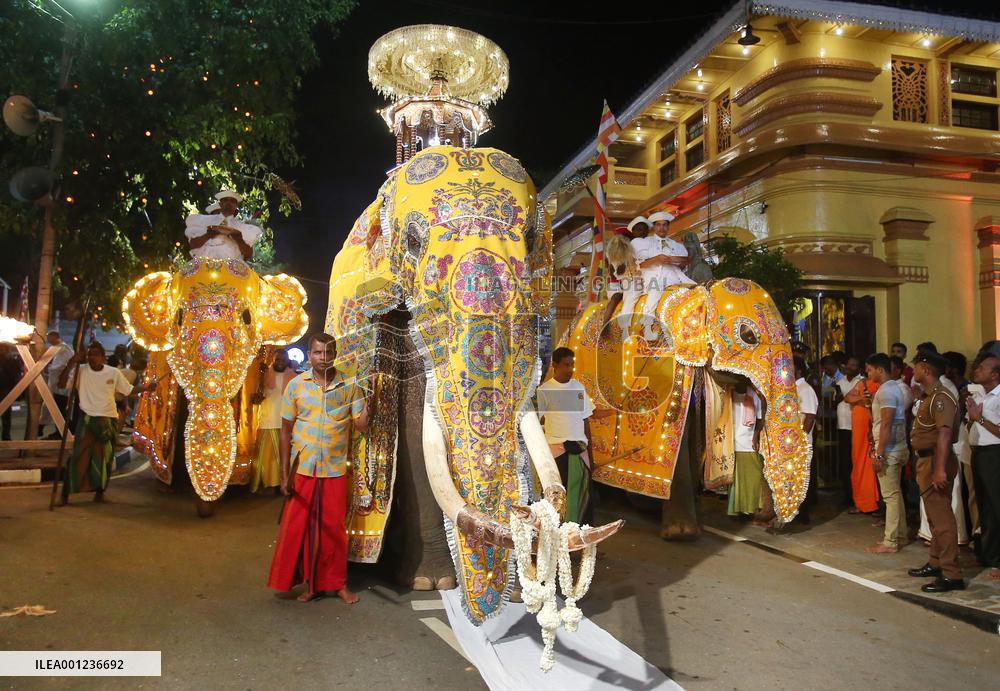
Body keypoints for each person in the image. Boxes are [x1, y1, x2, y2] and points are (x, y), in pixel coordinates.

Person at [267, 333, 368, 603]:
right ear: (310, 355)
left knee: (333, 529)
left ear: (335, 354)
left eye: (328, 352)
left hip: (334, 469)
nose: (323, 358)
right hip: (303, 468)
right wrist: (284, 475)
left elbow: (361, 425)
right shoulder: (296, 386)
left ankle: (338, 584)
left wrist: (371, 405)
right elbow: (285, 431)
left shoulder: (349, 386)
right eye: (317, 353)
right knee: (302, 529)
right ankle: (312, 585)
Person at [57, 342, 155, 504]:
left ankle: (100, 492)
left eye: (95, 354)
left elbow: (128, 390)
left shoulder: (113, 372)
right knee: (78, 457)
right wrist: (72, 362)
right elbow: (61, 384)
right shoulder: (80, 371)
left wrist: (146, 388)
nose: (92, 357)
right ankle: (65, 495)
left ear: (103, 357)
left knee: (104, 458)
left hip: (108, 420)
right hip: (87, 420)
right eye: (89, 354)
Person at [907, 350, 964, 592]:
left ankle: (951, 573)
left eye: (916, 367)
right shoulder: (929, 396)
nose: (913, 371)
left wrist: (940, 469)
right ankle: (936, 561)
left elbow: (944, 434)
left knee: (942, 519)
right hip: (926, 461)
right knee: (933, 516)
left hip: (935, 461)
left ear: (926, 369)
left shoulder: (941, 398)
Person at [537, 347, 612, 524]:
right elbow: (538, 421)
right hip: (557, 451)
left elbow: (587, 418)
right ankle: (556, 536)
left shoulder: (578, 388)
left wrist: (590, 455)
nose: (570, 369)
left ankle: (581, 537)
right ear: (555, 365)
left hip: (579, 451)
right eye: (566, 365)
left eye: (572, 365)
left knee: (583, 498)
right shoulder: (544, 391)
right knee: (557, 499)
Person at [864, 354, 909, 554]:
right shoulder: (892, 389)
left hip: (890, 450)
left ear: (880, 370)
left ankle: (890, 541)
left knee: (890, 496)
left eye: (870, 369)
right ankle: (900, 534)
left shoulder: (887, 391)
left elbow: (886, 425)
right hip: (896, 447)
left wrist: (879, 454)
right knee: (895, 494)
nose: (868, 373)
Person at [965, 355, 1000, 581]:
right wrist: (971, 419)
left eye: (982, 368)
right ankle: (990, 555)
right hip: (978, 453)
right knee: (985, 506)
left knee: (997, 506)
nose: (977, 370)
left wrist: (979, 419)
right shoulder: (979, 395)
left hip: (995, 455)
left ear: (995, 374)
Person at [631, 210, 695, 325]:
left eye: (665, 225)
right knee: (655, 292)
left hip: (674, 277)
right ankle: (647, 324)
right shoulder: (645, 242)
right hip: (652, 278)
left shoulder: (675, 244)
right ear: (654, 227)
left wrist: (672, 259)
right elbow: (640, 265)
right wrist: (656, 259)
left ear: (668, 226)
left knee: (696, 289)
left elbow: (686, 261)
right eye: (658, 225)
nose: (662, 228)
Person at [252, 348, 296, 494]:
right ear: (273, 360)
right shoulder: (264, 375)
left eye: (283, 360)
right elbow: (256, 398)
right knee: (266, 458)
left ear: (287, 360)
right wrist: (260, 380)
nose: (280, 362)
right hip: (267, 420)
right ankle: (266, 484)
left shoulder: (294, 378)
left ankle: (281, 484)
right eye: (277, 359)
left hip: (286, 423)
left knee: (283, 456)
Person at [185, 189, 262, 261]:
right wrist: (209, 234)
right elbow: (193, 245)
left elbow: (248, 255)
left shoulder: (242, 227)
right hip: (205, 264)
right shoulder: (205, 221)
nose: (229, 203)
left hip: (230, 267)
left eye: (232, 201)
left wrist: (238, 238)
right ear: (220, 204)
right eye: (225, 200)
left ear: (236, 206)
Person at [844, 367, 880, 514]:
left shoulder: (881, 386)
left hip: (869, 429)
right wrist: (862, 399)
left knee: (868, 464)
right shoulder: (862, 383)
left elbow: (873, 403)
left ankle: (870, 503)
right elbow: (847, 397)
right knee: (858, 463)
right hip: (858, 432)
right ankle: (861, 502)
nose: (869, 372)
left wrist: (861, 400)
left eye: (871, 369)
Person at [726, 382, 764, 520]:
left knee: (753, 478)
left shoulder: (754, 395)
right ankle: (738, 510)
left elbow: (760, 420)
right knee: (736, 481)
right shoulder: (729, 395)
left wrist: (755, 437)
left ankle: (751, 508)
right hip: (732, 443)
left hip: (748, 443)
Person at [794, 356, 819, 523]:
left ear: (798, 370)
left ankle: (803, 514)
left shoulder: (805, 389)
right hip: (792, 441)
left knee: (803, 478)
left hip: (802, 441)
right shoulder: (794, 388)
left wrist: (802, 438)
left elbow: (810, 416)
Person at [834, 357, 862, 506]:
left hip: (856, 427)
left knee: (855, 461)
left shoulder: (861, 381)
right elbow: (835, 401)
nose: (851, 367)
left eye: (855, 365)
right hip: (842, 426)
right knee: (845, 462)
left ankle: (858, 494)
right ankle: (847, 494)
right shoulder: (840, 382)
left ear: (859, 368)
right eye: (850, 365)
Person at [39, 330, 74, 438]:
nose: (47, 339)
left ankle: (61, 432)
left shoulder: (64, 349)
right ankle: (56, 430)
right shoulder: (56, 348)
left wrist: (48, 368)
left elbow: (60, 366)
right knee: (52, 407)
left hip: (61, 386)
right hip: (54, 384)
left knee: (59, 409)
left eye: (49, 337)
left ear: (55, 337)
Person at [0, 343, 22, 441]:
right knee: (6, 415)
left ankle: (6, 436)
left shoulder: (11, 360)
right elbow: (16, 375)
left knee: (6, 415)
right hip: (6, 389)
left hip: (5, 388)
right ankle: (6, 437)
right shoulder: (11, 360)